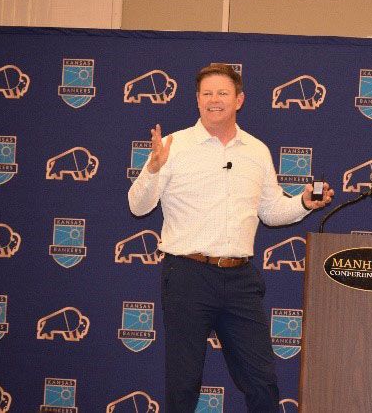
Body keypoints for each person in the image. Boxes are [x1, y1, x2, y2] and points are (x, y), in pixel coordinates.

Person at [128, 63, 334, 412]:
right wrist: (153, 168)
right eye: (207, 93)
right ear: (197, 100)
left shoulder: (257, 150)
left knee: (262, 381)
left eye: (222, 93)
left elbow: (271, 211)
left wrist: (302, 203)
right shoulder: (172, 146)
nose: (214, 100)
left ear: (239, 100)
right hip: (187, 277)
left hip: (240, 280)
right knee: (183, 383)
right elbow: (138, 206)